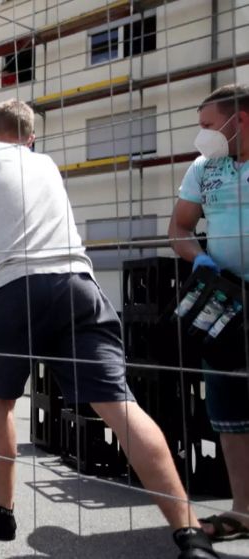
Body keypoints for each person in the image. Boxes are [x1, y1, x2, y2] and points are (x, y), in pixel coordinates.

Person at [0, 99, 217, 558]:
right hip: (78, 284)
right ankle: (190, 533)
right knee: (121, 407)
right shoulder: (45, 165)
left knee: (0, 404)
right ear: (31, 137)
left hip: (14, 289)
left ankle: (2, 513)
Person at [168, 84, 249, 543]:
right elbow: (179, 226)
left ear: (238, 121)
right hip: (225, 303)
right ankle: (243, 511)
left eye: (206, 126)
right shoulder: (205, 168)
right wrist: (197, 255)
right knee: (228, 411)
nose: (201, 137)